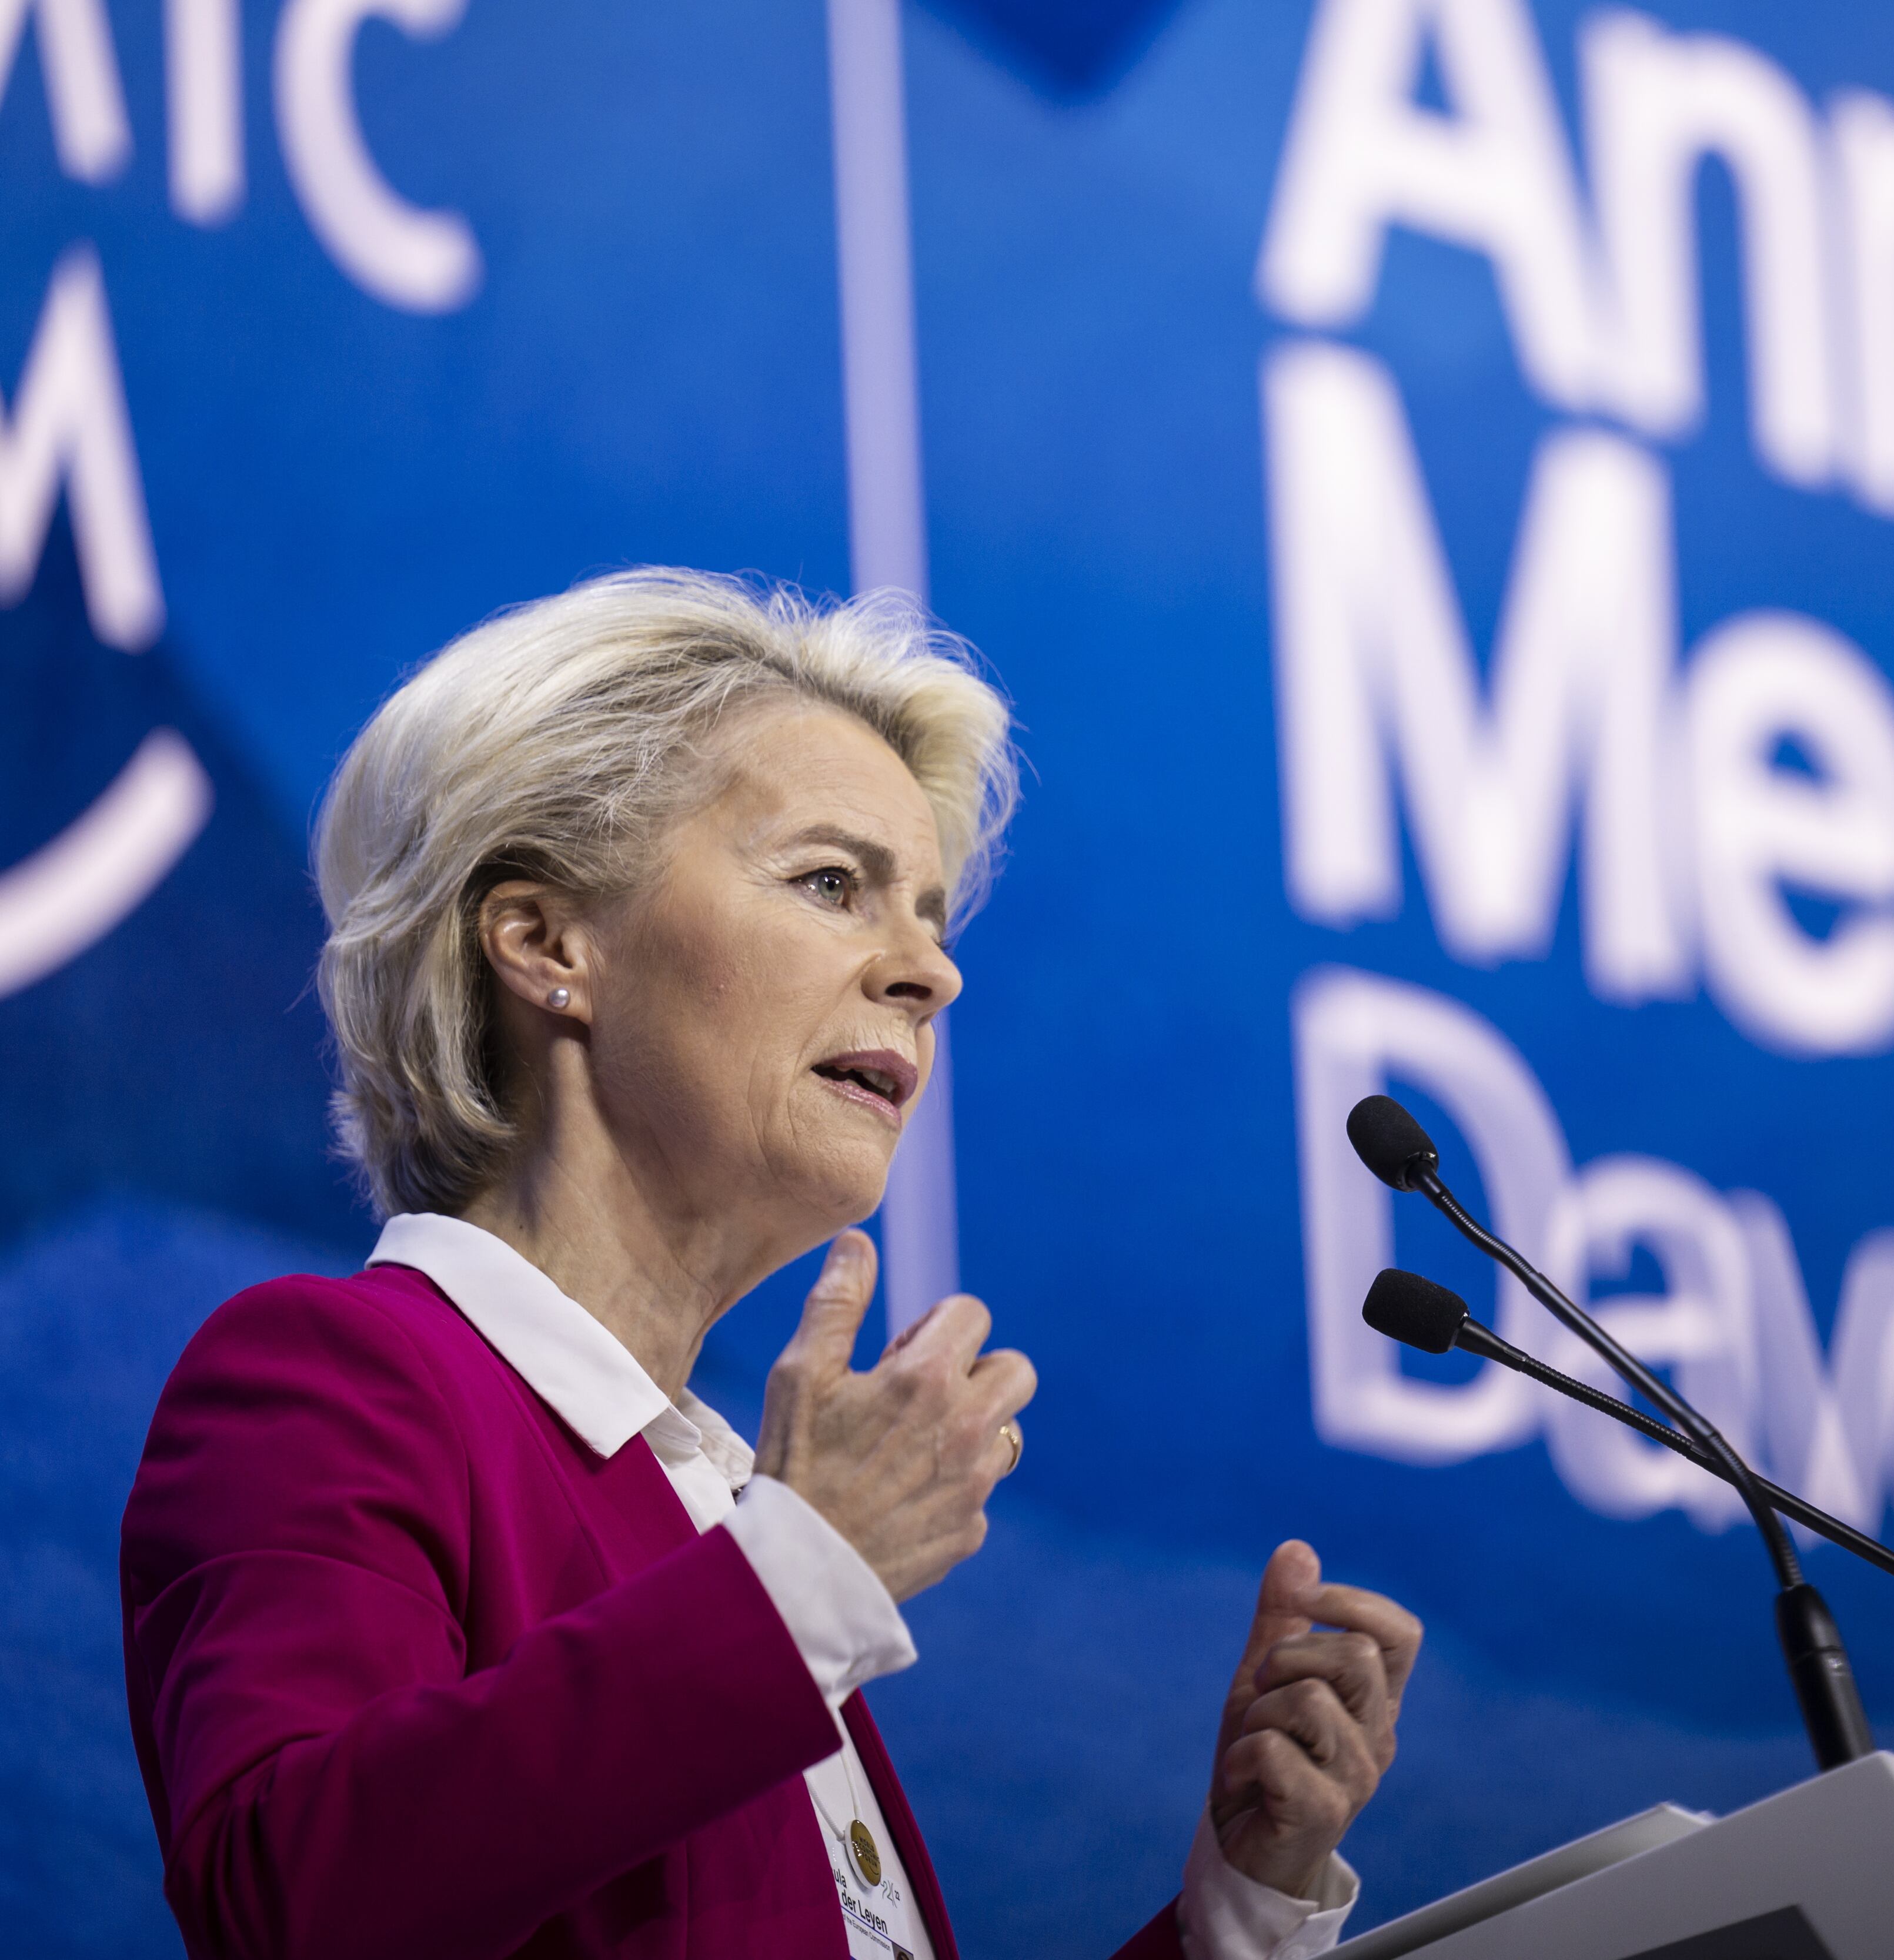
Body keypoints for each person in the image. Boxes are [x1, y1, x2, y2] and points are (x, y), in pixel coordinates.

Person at [119, 570, 1421, 1960]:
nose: (931, 971)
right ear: (550, 942)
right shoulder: (341, 1375)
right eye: (830, 882)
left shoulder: (714, 1511)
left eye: (928, 912)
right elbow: (294, 1899)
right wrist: (800, 1574)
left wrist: (1241, 1903)